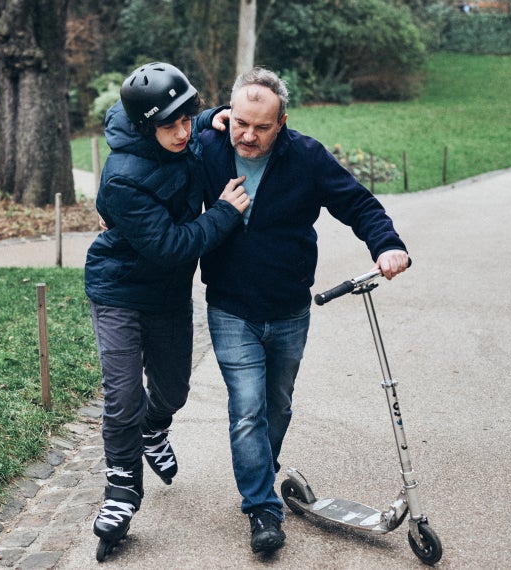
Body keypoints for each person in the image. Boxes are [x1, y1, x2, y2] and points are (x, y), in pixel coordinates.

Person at [196, 67, 410, 554]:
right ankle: (261, 510)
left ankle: (259, 475)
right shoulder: (208, 146)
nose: (248, 136)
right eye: (240, 123)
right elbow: (145, 135)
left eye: (262, 127)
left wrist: (387, 245)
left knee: (277, 405)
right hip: (230, 308)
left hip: (290, 308)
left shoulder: (307, 157)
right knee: (247, 410)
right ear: (229, 116)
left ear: (282, 122)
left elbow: (358, 205)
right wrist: (209, 116)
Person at [84, 62, 250, 549]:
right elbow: (174, 246)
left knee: (173, 391)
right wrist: (224, 212)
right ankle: (121, 489)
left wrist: (214, 116)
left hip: (168, 295)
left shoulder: (179, 131)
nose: (183, 132)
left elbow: (193, 125)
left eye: (186, 119)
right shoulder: (122, 180)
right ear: (143, 126)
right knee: (122, 398)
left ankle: (155, 429)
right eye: (171, 124)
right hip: (118, 291)